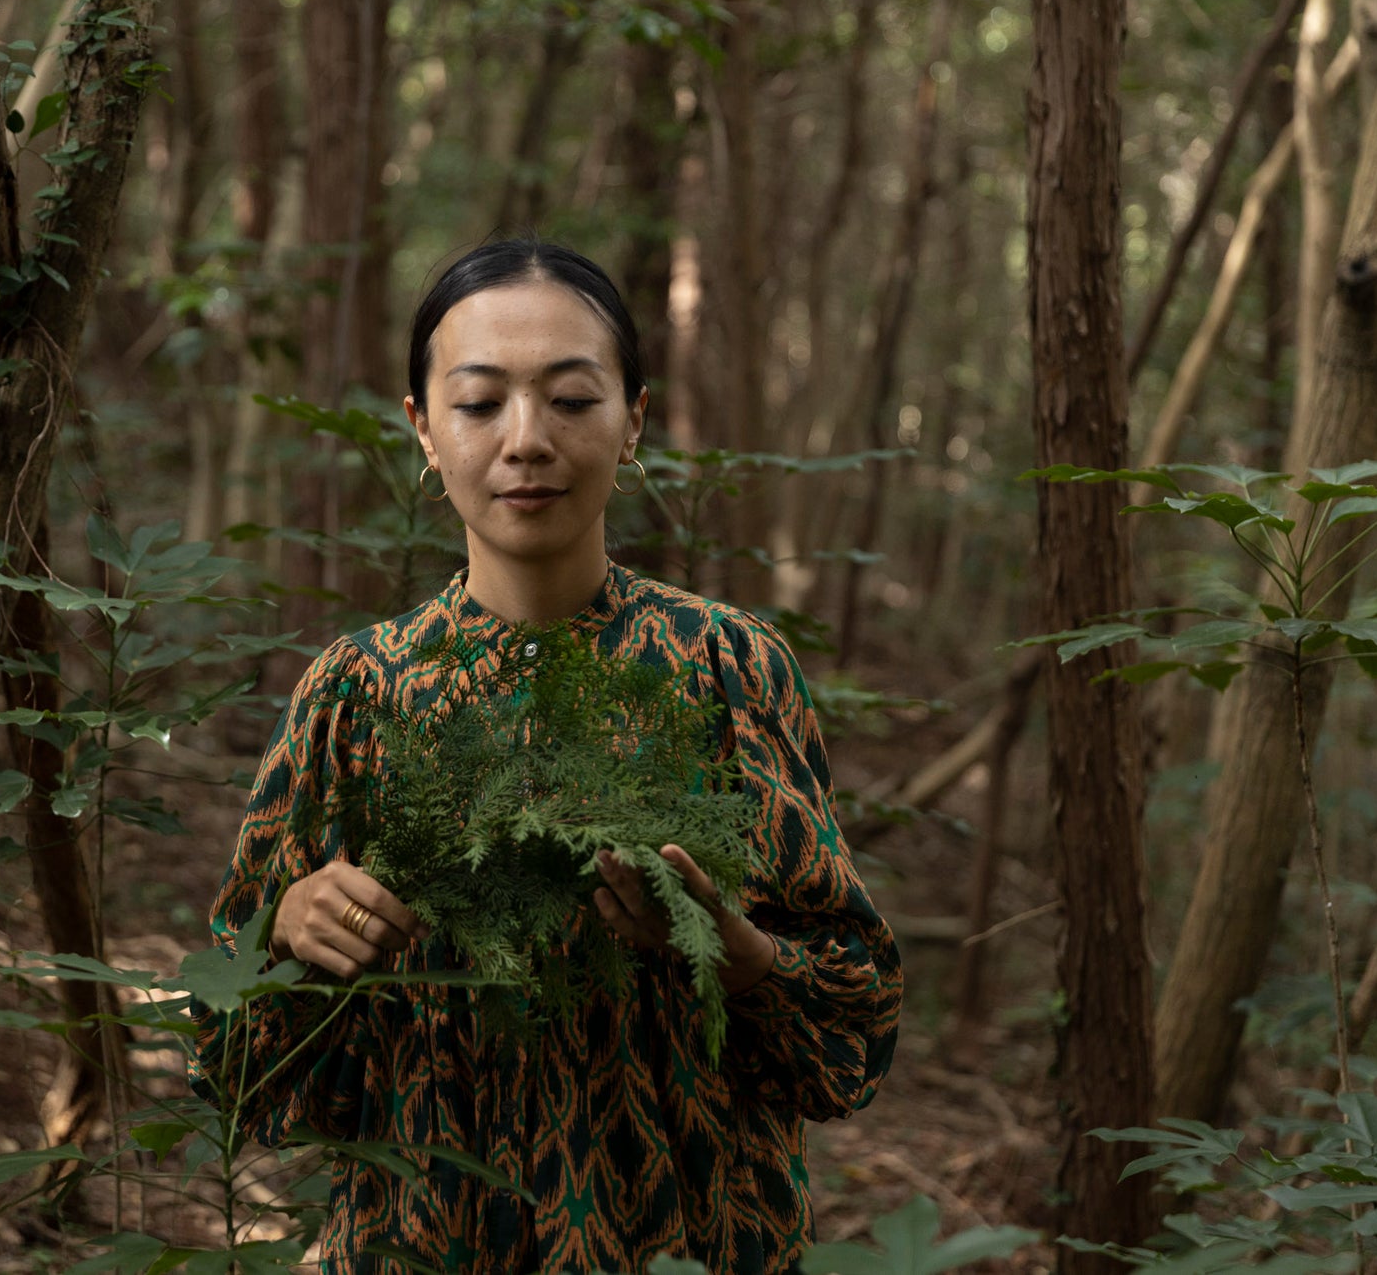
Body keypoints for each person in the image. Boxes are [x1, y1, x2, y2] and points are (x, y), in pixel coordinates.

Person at [195, 240, 902, 1274]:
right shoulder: (354, 695)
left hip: (697, 1242)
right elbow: (239, 1074)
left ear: (635, 424)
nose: (528, 441)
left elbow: (853, 1035)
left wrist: (735, 956)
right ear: (422, 430)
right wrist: (292, 938)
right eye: (480, 404)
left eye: (572, 399)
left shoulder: (728, 670)